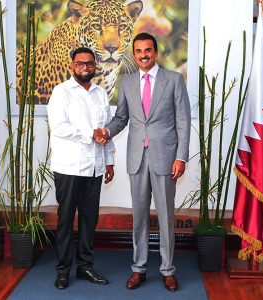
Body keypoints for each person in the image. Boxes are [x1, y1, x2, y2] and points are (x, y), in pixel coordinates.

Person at [95, 32, 191, 292]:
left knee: (166, 217)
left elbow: (183, 120)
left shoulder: (173, 80)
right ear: (134, 53)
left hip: (166, 158)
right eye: (138, 51)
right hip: (137, 158)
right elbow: (122, 118)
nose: (143, 55)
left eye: (148, 50)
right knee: (138, 217)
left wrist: (181, 156)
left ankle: (168, 270)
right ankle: (138, 268)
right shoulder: (126, 82)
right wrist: (106, 131)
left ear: (156, 52)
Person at [47, 47, 115, 290]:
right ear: (72, 65)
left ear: (95, 65)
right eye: (80, 64)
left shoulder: (100, 93)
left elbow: (106, 131)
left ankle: (85, 266)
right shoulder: (61, 92)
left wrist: (109, 161)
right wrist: (90, 134)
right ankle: (63, 270)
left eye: (89, 64)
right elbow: (59, 127)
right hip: (69, 167)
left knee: (89, 219)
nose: (85, 67)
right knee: (66, 220)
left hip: (95, 168)